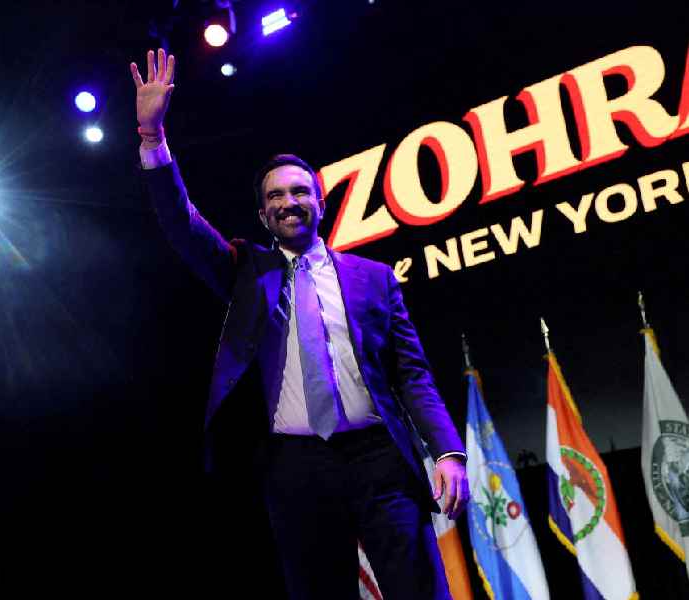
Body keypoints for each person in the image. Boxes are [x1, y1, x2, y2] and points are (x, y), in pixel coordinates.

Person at [130, 48, 470, 600]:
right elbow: (181, 223)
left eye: (298, 191)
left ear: (320, 201)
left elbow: (414, 376)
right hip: (295, 467)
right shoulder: (245, 271)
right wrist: (152, 138)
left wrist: (449, 452)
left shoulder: (374, 278)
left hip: (381, 459)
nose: (288, 202)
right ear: (263, 215)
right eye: (275, 197)